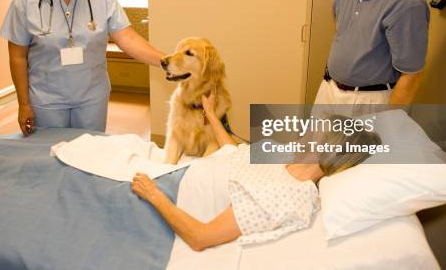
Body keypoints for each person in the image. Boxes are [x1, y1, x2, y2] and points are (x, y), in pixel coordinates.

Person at [132, 92, 381, 251]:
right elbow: (236, 154)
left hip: (171, 194)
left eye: (316, 129)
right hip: (178, 174)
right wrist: (210, 113)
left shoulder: (288, 195)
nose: (307, 128)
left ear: (325, 147)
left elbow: (201, 236)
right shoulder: (286, 160)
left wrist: (153, 194)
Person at [1, 0, 164, 135]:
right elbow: (17, 57)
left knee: (90, 155)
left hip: (91, 97)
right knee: (50, 156)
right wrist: (23, 105)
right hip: (46, 98)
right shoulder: (27, 0)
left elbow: (127, 37)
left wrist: (166, 62)